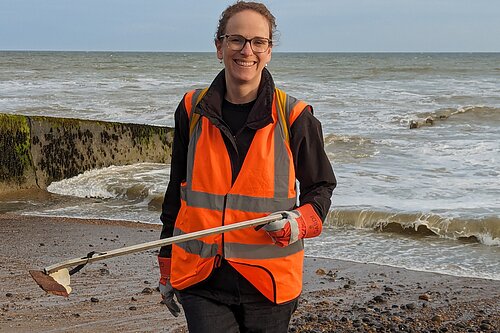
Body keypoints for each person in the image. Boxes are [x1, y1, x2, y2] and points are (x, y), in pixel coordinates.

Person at [158, 1, 336, 332]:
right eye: (236, 39)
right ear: (219, 46)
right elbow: (176, 192)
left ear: (269, 51)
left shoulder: (295, 117)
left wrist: (297, 223)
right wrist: (166, 264)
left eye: (258, 42)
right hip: (201, 276)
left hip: (269, 284)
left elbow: (321, 188)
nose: (247, 50)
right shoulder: (190, 110)